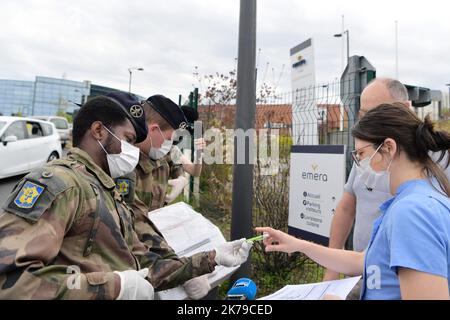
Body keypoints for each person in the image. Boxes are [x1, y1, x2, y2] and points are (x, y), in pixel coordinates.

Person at [0, 92, 251, 299]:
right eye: (129, 140)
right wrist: (115, 288)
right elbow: (12, 282)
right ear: (98, 131)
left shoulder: (108, 189)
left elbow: (139, 266)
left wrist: (210, 258)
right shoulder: (60, 184)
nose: (132, 151)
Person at [257, 103, 450, 300]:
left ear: (389, 148)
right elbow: (366, 260)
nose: (358, 165)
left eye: (361, 154)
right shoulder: (414, 201)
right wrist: (299, 245)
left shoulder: (412, 212)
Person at [118, 94, 252, 300]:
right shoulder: (123, 164)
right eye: (171, 137)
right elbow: (131, 225)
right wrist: (185, 271)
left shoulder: (164, 152)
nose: (172, 143)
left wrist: (198, 156)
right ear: (153, 130)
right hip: (140, 250)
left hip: (159, 236)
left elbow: (193, 171)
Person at [324, 78, 450, 287]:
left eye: (376, 112)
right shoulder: (369, 154)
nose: (368, 122)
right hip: (363, 273)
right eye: (364, 114)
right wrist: (332, 272)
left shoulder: (439, 162)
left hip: (410, 278)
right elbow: (347, 207)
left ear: (403, 109)